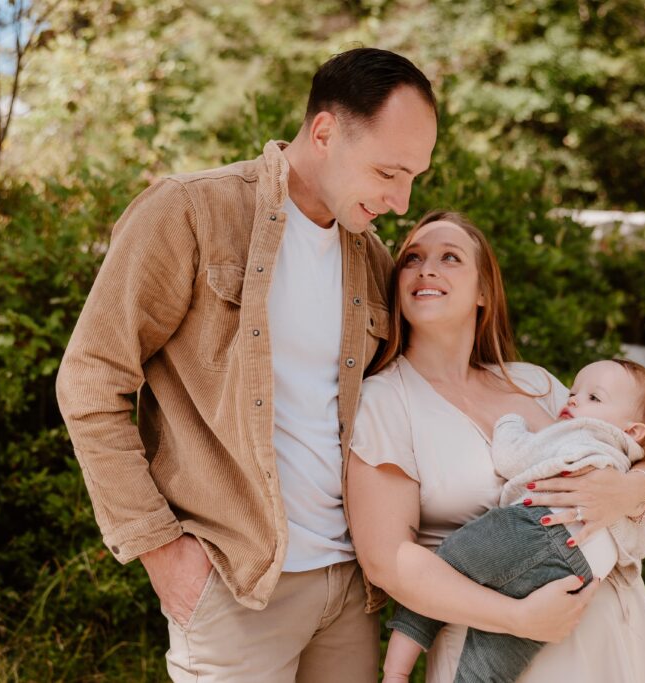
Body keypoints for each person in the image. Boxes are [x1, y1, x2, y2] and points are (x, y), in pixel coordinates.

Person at [55, 48, 439, 682]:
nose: (401, 201)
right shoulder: (190, 213)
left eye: (413, 178)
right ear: (323, 133)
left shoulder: (370, 258)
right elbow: (91, 380)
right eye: (388, 172)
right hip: (237, 585)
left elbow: (421, 398)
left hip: (349, 586)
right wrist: (160, 549)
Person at [347, 210, 645, 683]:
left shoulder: (535, 383)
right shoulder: (385, 399)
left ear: (483, 291)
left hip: (616, 638)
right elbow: (387, 561)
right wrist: (519, 618)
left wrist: (629, 491)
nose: (425, 269)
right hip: (498, 651)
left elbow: (640, 455)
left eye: (449, 257)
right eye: (412, 259)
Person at [383, 358, 645, 682]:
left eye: (594, 397)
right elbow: (636, 540)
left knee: (447, 567)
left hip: (534, 530)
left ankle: (396, 670)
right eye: (574, 392)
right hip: (578, 572)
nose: (574, 399)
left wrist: (509, 422)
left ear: (631, 430)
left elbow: (512, 458)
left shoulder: (581, 434)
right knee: (491, 667)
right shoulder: (620, 464)